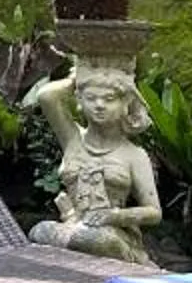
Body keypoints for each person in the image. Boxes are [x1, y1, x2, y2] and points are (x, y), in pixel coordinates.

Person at [23, 61, 160, 265]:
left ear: (125, 103)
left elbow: (154, 212)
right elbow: (46, 97)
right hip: (73, 225)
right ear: (80, 99)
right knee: (40, 230)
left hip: (111, 234)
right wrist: (76, 79)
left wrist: (114, 216)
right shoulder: (73, 138)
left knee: (98, 240)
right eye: (91, 98)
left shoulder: (134, 154)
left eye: (109, 99)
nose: (99, 105)